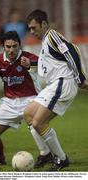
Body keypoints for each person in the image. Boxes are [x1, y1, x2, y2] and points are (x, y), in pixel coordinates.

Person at [0, 31, 53, 166]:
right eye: (8, 46)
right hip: (9, 103)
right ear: (3, 47)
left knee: (36, 125)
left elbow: (41, 63)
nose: (11, 50)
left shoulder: (27, 57)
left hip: (31, 99)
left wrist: (31, 64)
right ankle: (0, 160)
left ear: (19, 46)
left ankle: (49, 154)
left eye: (15, 46)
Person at [24, 9, 88, 171]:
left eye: (34, 27)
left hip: (63, 84)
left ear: (44, 24)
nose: (32, 32)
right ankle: (46, 153)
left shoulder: (52, 35)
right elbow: (53, 64)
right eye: (29, 29)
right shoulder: (46, 41)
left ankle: (61, 158)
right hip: (54, 85)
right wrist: (31, 65)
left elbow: (72, 51)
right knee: (29, 114)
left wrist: (80, 78)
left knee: (39, 122)